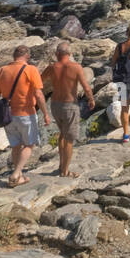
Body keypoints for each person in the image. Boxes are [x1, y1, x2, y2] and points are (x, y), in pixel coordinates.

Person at [0, 46, 48, 188]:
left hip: (8, 115)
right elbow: (39, 94)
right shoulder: (31, 70)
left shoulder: (2, 70)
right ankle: (16, 173)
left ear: (14, 56)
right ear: (27, 56)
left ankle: (20, 176)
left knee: (15, 146)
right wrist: (46, 113)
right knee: (30, 144)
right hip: (26, 113)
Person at [41, 43, 95, 178]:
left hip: (54, 105)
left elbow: (39, 80)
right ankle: (65, 171)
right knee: (70, 139)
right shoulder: (76, 67)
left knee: (62, 135)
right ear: (69, 54)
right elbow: (86, 87)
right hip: (70, 105)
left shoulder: (52, 68)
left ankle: (61, 165)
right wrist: (91, 99)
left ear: (57, 54)